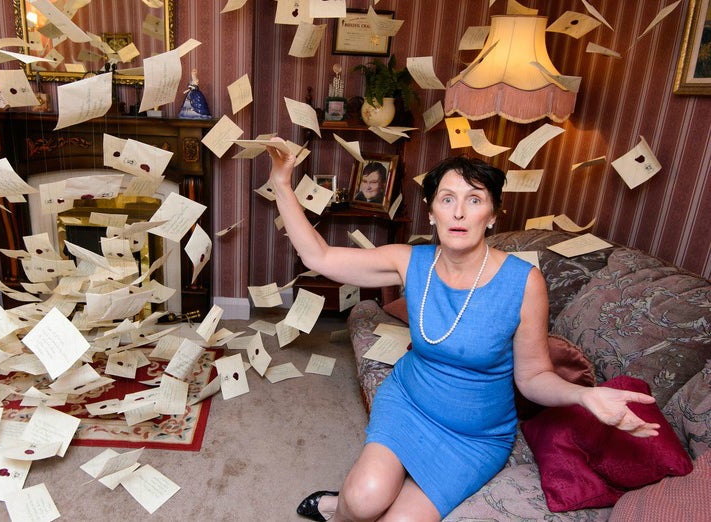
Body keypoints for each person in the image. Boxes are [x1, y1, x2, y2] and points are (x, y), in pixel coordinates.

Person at [263, 143, 662, 522]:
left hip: (475, 437)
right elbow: (320, 256)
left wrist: (585, 395)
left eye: (474, 200)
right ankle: (340, 508)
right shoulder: (410, 262)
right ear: (431, 212)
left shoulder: (524, 283)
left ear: (491, 216)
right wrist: (282, 183)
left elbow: (534, 376)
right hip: (409, 403)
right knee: (362, 499)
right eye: (447, 199)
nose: (458, 213)